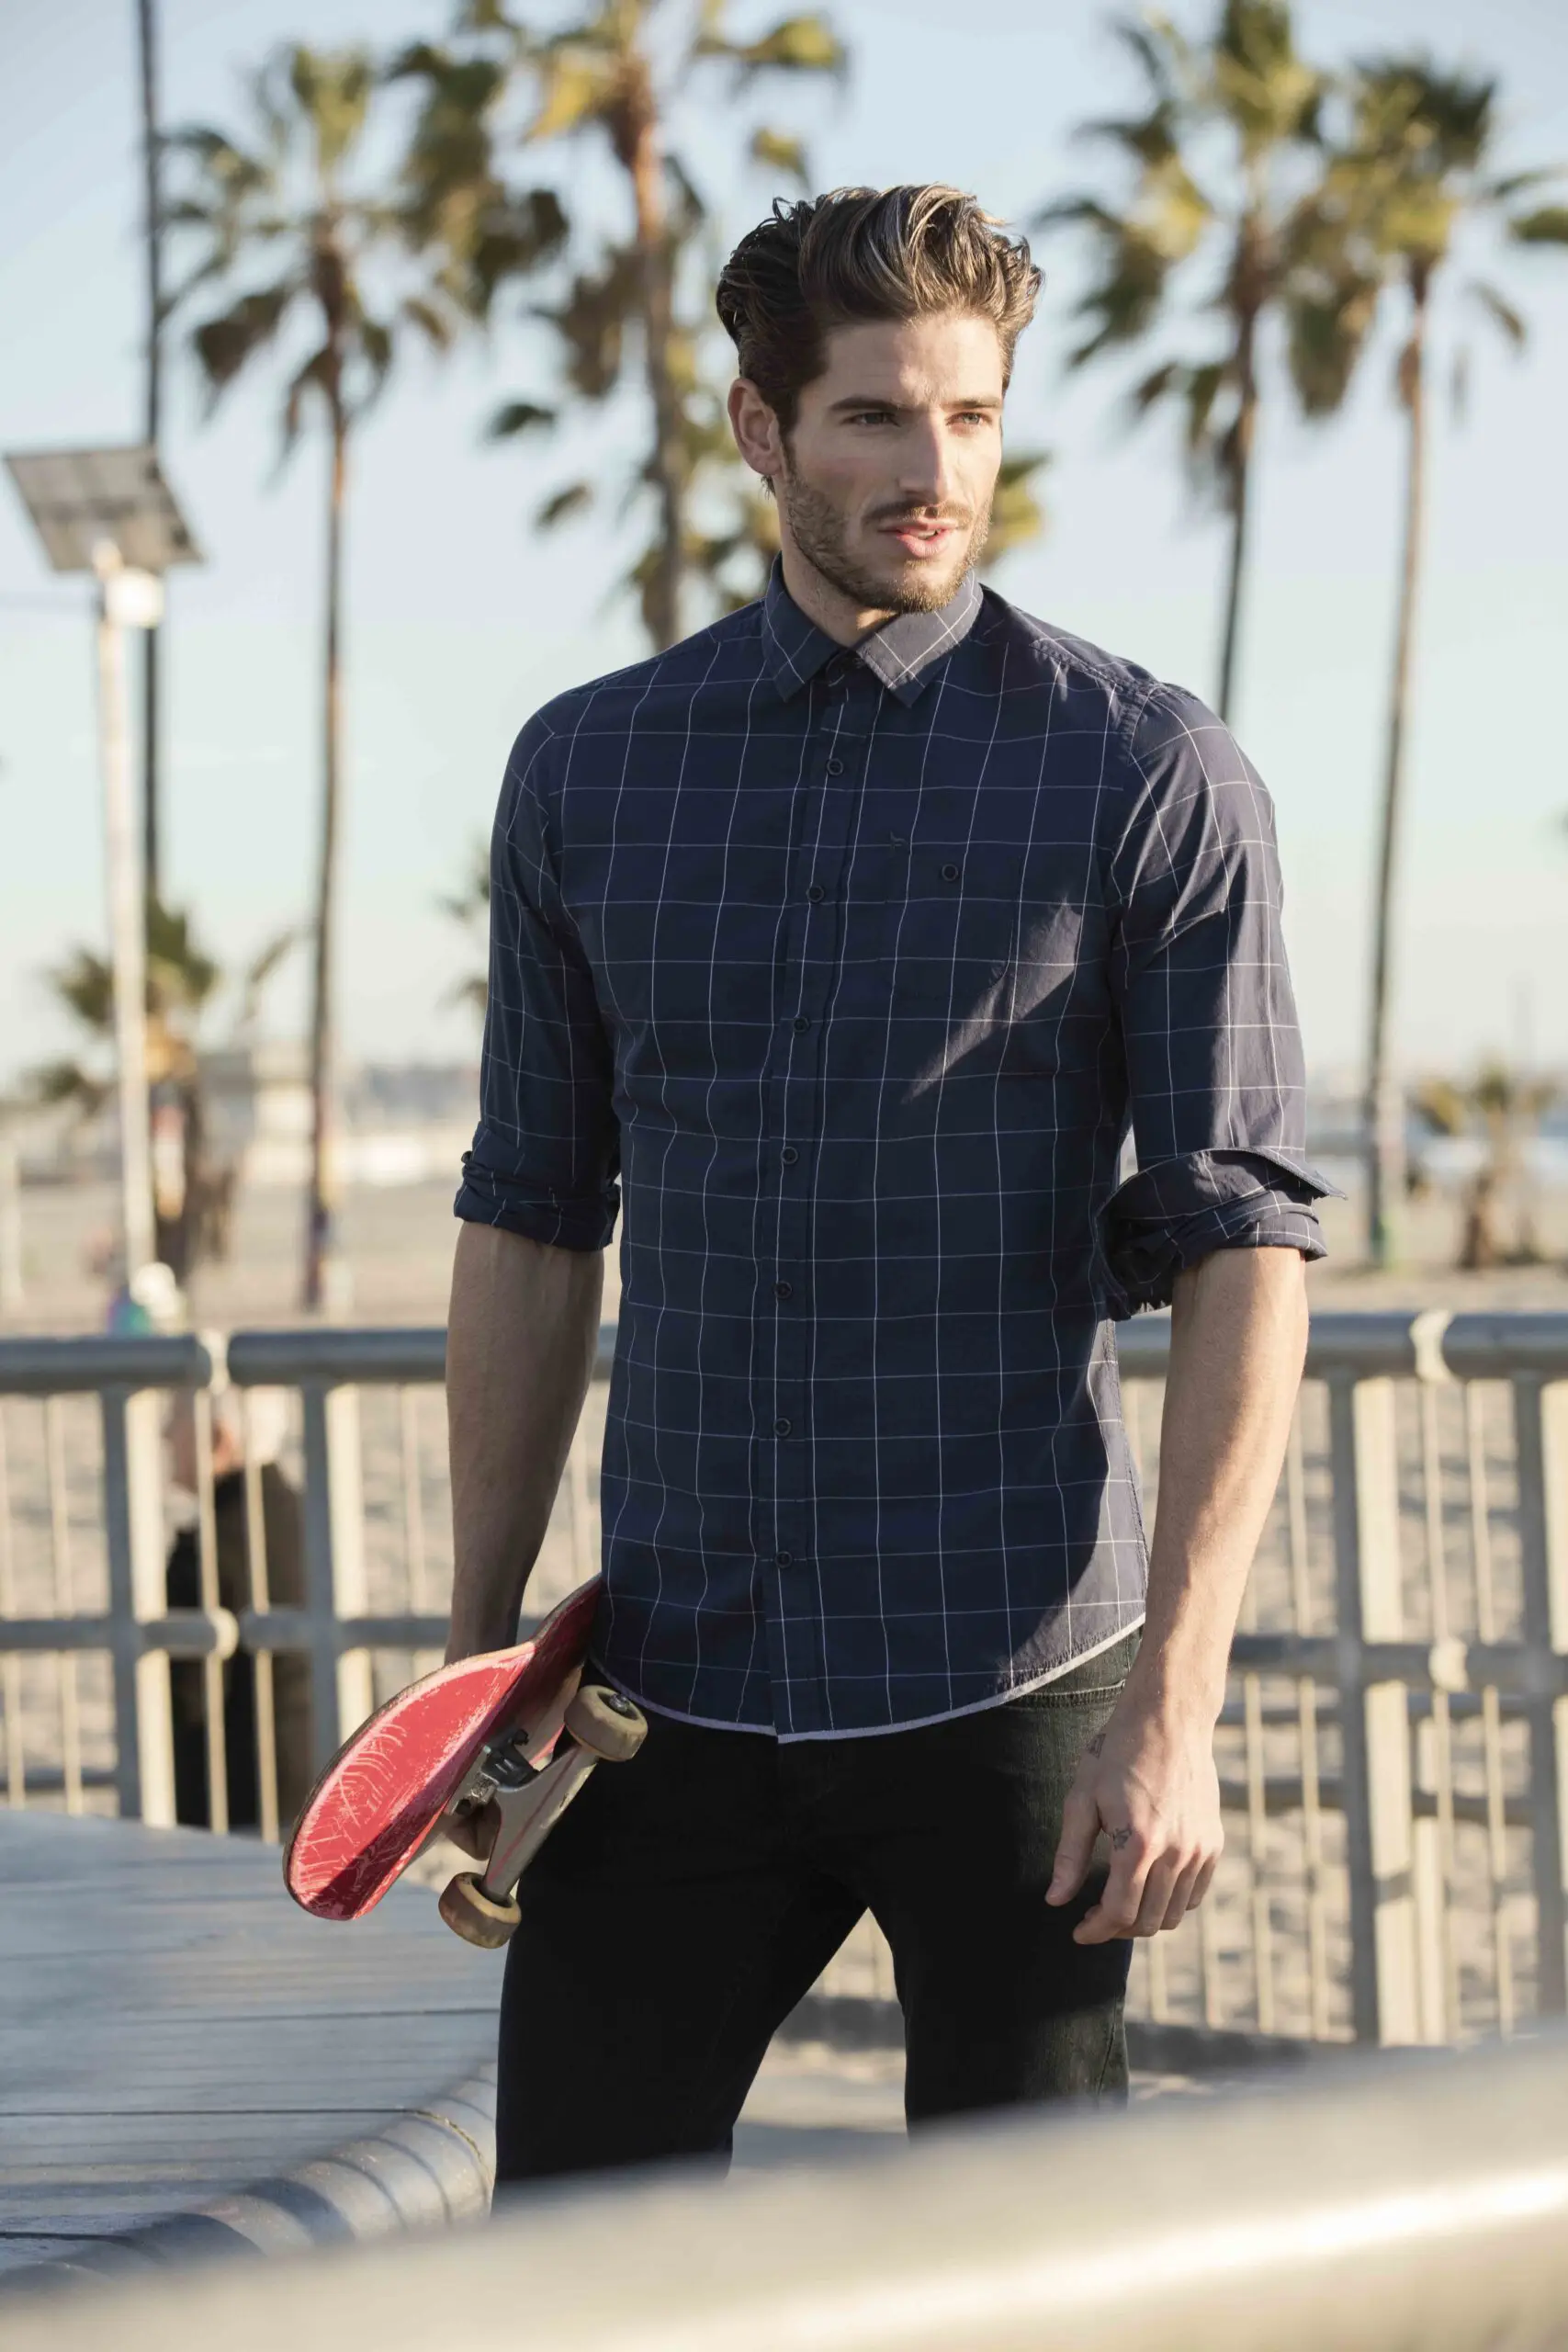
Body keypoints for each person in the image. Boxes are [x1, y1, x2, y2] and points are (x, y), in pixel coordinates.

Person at [446, 184, 1330, 2185]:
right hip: (660, 1691)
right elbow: (525, 1214)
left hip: (1011, 1683)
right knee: (568, 2272)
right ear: (759, 430)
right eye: (871, 417)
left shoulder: (1143, 771)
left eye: (972, 417)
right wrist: (477, 1672)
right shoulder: (588, 770)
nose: (931, 471)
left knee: (1031, 2300)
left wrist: (1173, 1706)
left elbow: (1244, 1235)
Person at [165, 1389, 311, 1832]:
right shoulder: (305, 1517)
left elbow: (185, 1711)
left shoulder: (207, 1549)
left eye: (175, 1422)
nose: (163, 1434)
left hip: (243, 1813)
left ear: (219, 1439)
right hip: (327, 1790)